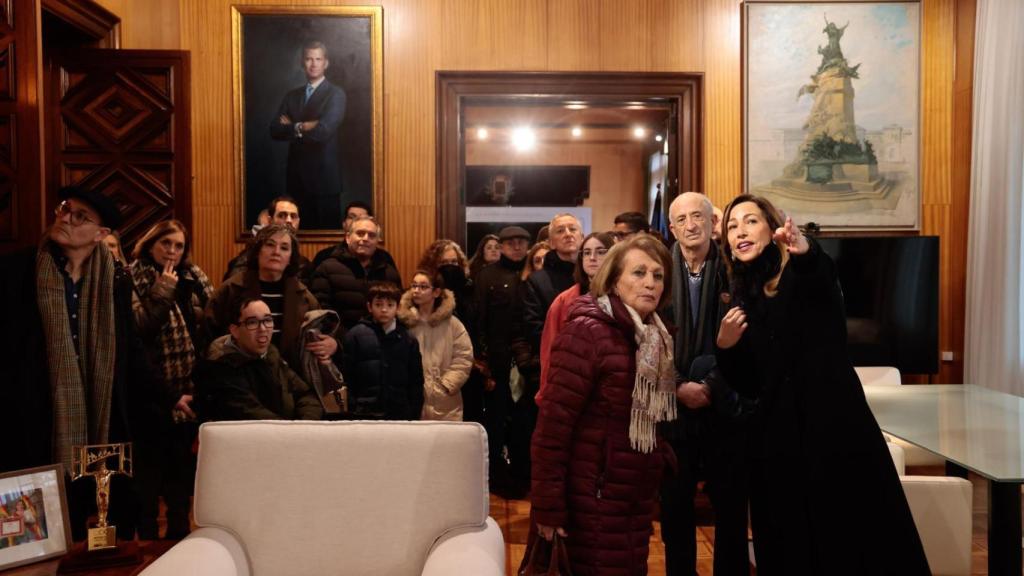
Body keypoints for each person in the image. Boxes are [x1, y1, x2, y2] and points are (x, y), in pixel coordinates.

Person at [715, 194, 928, 574]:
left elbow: (821, 276)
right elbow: (750, 383)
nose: (739, 232)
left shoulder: (801, 275)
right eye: (732, 226)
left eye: (750, 221)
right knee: (787, 543)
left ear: (772, 228)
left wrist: (805, 249)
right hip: (777, 443)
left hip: (832, 433)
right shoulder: (745, 295)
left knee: (846, 539)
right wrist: (726, 348)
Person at [0, 186, 164, 541]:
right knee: (31, 538)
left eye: (80, 217)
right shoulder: (16, 271)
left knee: (84, 531)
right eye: (64, 209)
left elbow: (129, 346)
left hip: (96, 421)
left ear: (101, 234)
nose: (65, 218)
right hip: (32, 418)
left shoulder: (113, 279)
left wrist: (165, 396)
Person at [531, 235, 678, 575]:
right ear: (614, 280)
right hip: (591, 498)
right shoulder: (587, 331)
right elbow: (552, 428)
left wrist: (660, 455)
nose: (650, 283)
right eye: (638, 273)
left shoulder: (654, 336)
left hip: (633, 498)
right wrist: (548, 509)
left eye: (658, 275)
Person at [660, 192, 748, 576]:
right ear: (672, 227)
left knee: (729, 504)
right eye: (681, 219)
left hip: (725, 403)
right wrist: (678, 384)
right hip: (671, 406)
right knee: (675, 504)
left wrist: (710, 384)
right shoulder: (657, 268)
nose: (690, 225)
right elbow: (643, 337)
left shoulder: (735, 268)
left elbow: (749, 337)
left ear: (713, 222)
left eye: (698, 216)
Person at [129, 219, 214, 541]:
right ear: (151, 243)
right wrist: (163, 289)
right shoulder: (134, 276)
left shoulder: (193, 277)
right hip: (150, 385)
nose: (172, 251)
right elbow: (141, 329)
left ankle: (180, 537)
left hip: (189, 384)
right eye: (166, 243)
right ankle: (148, 539)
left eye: (179, 246)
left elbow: (208, 322)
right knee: (149, 472)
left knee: (180, 470)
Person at [208, 224, 334, 371]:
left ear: (290, 258)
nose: (276, 252)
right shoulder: (231, 289)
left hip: (290, 379)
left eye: (284, 248)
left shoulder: (304, 296)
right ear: (257, 252)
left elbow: (323, 334)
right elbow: (208, 336)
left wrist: (332, 343)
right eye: (270, 245)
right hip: (237, 376)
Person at [473, 226, 532, 496]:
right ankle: (496, 478)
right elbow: (479, 319)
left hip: (527, 362)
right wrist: (482, 361)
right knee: (496, 423)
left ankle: (522, 476)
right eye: (511, 243)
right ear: (503, 246)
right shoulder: (487, 275)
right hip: (497, 361)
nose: (517, 247)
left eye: (522, 242)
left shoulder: (533, 274)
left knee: (524, 422)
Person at [195, 298, 323, 421]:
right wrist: (293, 432)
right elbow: (252, 415)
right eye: (252, 322)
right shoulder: (221, 369)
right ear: (235, 331)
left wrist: (305, 424)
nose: (262, 329)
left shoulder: (271, 356)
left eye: (267, 320)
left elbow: (306, 395)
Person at [268, 40, 347, 225]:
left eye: (318, 59)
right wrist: (303, 126)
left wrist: (292, 126)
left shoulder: (336, 94)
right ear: (302, 62)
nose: (313, 64)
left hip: (324, 183)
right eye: (309, 59)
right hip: (296, 180)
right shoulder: (292, 96)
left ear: (325, 63)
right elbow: (274, 130)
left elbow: (323, 132)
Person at [534, 231, 614, 405]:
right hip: (570, 388)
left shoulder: (625, 296)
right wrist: (547, 394)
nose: (592, 258)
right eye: (586, 252)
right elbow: (549, 350)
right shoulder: (565, 300)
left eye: (601, 252)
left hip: (613, 389)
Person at [416, 239, 484, 423]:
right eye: (444, 263)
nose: (450, 267)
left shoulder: (471, 290)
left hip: (467, 368)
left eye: (454, 262)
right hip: (434, 370)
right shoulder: (424, 296)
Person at [342, 282, 424, 420]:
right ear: (369, 306)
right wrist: (353, 407)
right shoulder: (355, 335)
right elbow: (347, 377)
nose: (384, 310)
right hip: (364, 412)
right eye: (379, 305)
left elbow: (416, 382)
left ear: (398, 307)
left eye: (390, 305)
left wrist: (413, 414)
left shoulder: (408, 339)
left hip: (399, 412)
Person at [399, 270, 473, 421]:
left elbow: (464, 357)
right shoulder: (404, 323)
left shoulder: (452, 324)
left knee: (446, 442)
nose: (416, 290)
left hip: (445, 401)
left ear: (436, 292)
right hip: (413, 399)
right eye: (413, 286)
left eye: (423, 286)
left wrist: (446, 385)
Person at [311, 215, 402, 337]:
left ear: (377, 241)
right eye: (360, 233)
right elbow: (321, 313)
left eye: (371, 235)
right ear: (348, 238)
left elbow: (397, 311)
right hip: (339, 345)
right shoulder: (327, 268)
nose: (365, 238)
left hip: (381, 344)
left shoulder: (389, 272)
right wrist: (344, 340)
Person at [224, 196, 313, 282]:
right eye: (282, 215)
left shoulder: (304, 264)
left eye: (293, 216)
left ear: (298, 221)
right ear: (270, 221)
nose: (289, 220)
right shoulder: (248, 258)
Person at [311, 200, 374, 271]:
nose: (357, 221)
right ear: (344, 224)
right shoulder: (324, 257)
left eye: (362, 218)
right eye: (352, 217)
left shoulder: (383, 259)